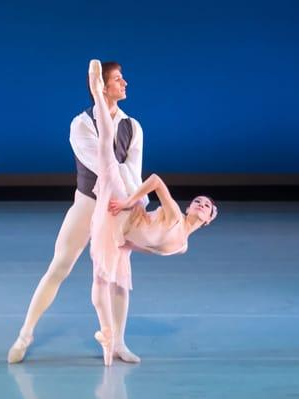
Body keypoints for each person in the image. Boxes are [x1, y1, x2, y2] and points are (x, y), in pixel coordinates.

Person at [8, 61, 148, 364]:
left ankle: (118, 342)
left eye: (124, 78)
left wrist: (133, 205)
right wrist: (125, 194)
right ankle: (25, 334)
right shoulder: (81, 124)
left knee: (119, 278)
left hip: (118, 208)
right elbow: (104, 167)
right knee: (60, 267)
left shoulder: (133, 126)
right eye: (118, 79)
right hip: (88, 204)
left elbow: (133, 174)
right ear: (101, 86)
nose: (125, 83)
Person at [87, 59, 218, 366]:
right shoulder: (174, 216)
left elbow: (149, 243)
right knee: (107, 148)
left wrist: (128, 243)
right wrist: (130, 202)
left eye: (206, 205)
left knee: (116, 281)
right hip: (123, 206)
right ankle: (96, 92)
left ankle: (114, 341)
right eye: (198, 201)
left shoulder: (182, 244)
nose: (200, 204)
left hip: (125, 230)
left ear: (209, 220)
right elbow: (156, 180)